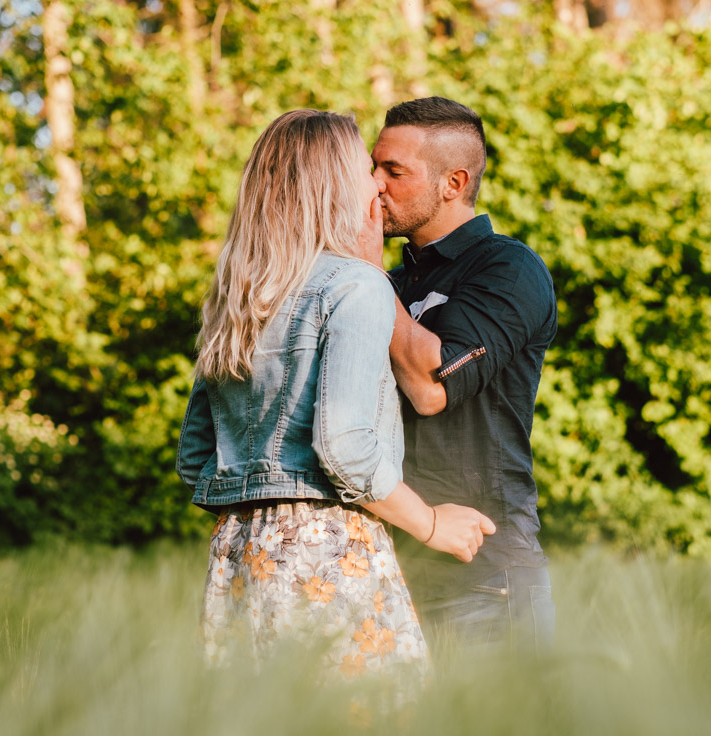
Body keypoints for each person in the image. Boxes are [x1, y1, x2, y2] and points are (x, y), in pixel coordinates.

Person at [176, 109, 497, 680]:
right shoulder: (357, 284)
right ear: (331, 184)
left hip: (237, 550)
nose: (375, 182)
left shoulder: (239, 294)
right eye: (362, 168)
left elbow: (195, 458)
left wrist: (259, 511)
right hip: (329, 550)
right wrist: (428, 524)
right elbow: (345, 448)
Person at [360, 97, 558, 656]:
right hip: (389, 568)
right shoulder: (391, 283)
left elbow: (430, 387)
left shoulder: (508, 268)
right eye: (374, 167)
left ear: (454, 182)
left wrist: (365, 267)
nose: (374, 185)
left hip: (485, 578)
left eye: (394, 171)